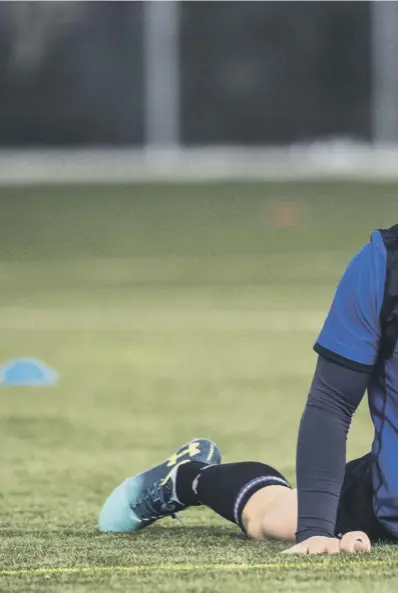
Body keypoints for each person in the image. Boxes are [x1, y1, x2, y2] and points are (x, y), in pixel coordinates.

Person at [99, 225, 398, 555]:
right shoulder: (382, 265)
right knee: (274, 521)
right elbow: (332, 402)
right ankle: (188, 478)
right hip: (389, 497)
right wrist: (315, 530)